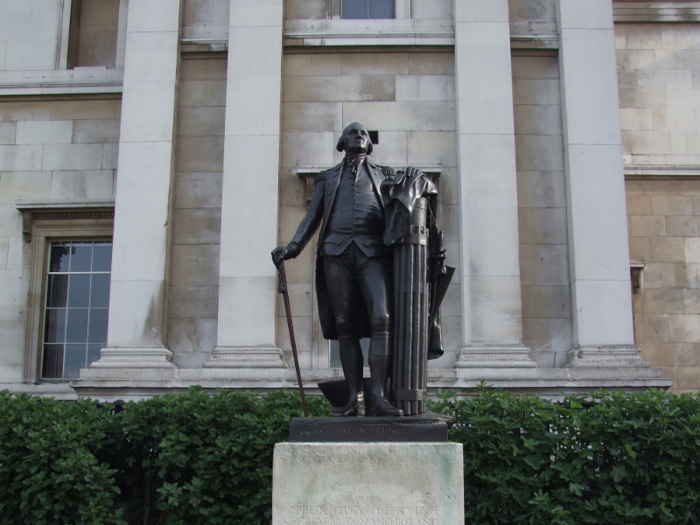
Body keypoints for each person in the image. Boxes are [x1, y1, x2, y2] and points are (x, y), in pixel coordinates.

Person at [272, 122, 402, 417]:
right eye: (353, 132)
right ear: (342, 142)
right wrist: (292, 247)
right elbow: (312, 216)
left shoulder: (386, 175)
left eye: (364, 134)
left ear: (369, 145)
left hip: (373, 252)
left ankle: (379, 396)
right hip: (335, 251)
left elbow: (406, 206)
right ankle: (353, 399)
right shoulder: (327, 178)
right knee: (345, 325)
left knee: (382, 318)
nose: (359, 136)